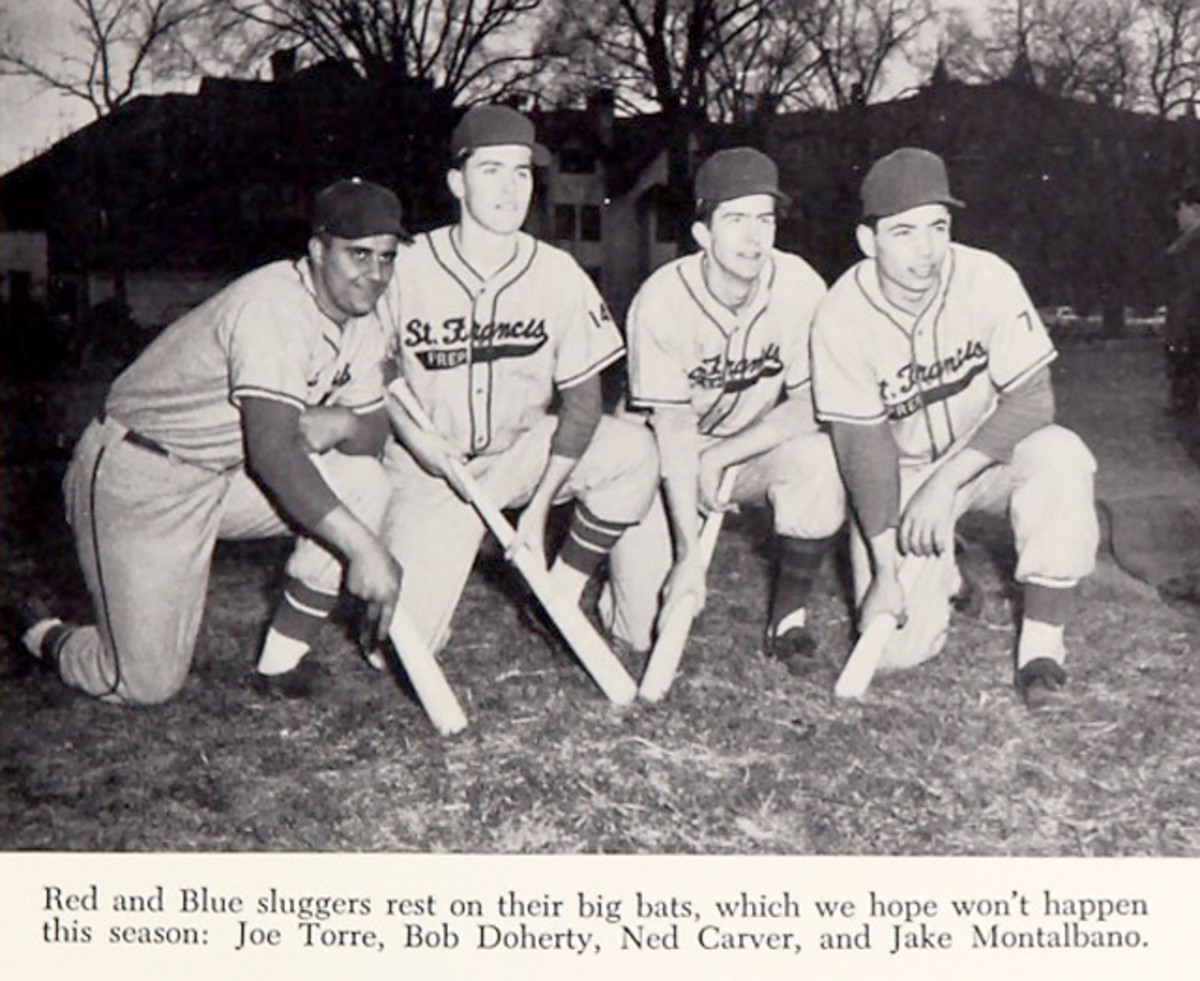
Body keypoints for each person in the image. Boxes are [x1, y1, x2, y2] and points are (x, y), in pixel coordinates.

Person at [15, 179, 406, 703]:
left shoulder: (363, 323)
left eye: (386, 257)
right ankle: (43, 632)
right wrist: (363, 548)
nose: (374, 274)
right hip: (139, 474)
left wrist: (345, 424)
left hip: (223, 476)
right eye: (358, 254)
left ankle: (281, 664)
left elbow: (371, 438)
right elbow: (273, 452)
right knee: (139, 683)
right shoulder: (271, 303)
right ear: (317, 249)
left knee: (364, 481)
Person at [810, 147, 1100, 708]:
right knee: (897, 652)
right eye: (904, 232)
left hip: (987, 453)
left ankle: (1041, 653)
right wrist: (885, 568)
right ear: (868, 241)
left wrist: (948, 487)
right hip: (903, 473)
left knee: (1062, 456)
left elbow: (1035, 400)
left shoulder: (987, 276)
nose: (927, 250)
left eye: (938, 227)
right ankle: (948, 569)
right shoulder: (841, 314)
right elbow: (861, 451)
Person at [377, 105, 659, 660]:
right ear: (457, 181)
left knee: (631, 450)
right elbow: (369, 367)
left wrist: (538, 509)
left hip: (517, 454)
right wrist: (414, 439)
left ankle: (555, 594)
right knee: (395, 650)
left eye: (522, 172)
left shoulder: (557, 272)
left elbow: (583, 403)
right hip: (427, 467)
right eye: (491, 171)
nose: (510, 189)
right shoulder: (404, 265)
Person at [604, 147, 844, 673]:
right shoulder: (662, 298)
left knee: (819, 459)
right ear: (701, 234)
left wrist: (725, 456)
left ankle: (788, 619)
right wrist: (689, 554)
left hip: (746, 444)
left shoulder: (800, 284)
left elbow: (814, 404)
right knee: (639, 630)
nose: (754, 237)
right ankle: (620, 576)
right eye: (736, 219)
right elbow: (673, 429)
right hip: (657, 454)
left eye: (765, 218)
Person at [1165, 178, 1200, 418]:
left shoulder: (1189, 249)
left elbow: (1186, 296)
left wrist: (1176, 338)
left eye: (1181, 208)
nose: (1178, 216)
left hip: (1190, 337)